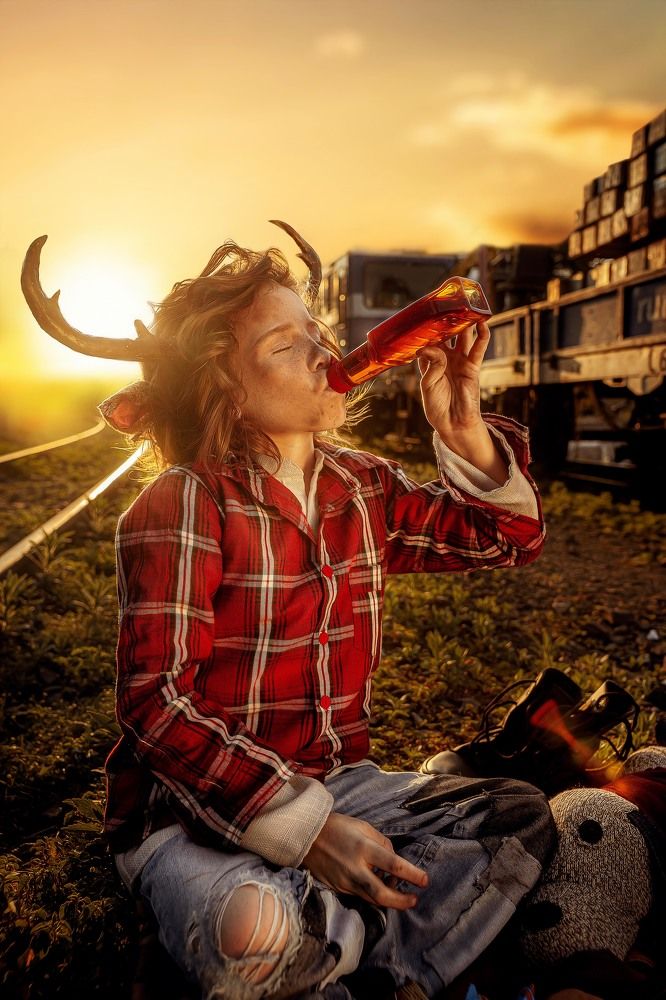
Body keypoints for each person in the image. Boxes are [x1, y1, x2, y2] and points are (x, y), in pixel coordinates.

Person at [92, 230, 555, 1000]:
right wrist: (305, 834)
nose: (321, 353)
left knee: (518, 817)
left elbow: (503, 539)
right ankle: (351, 938)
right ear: (224, 390)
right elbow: (155, 704)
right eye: (285, 345)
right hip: (195, 811)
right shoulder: (186, 501)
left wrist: (461, 425)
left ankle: (351, 953)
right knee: (249, 927)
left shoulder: (360, 485)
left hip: (337, 784)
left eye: (319, 334)